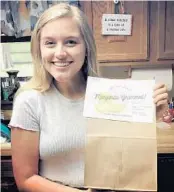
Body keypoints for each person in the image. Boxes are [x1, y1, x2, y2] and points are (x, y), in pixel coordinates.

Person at [9, 3, 169, 192]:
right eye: (50, 43)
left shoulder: (109, 96)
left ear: (86, 48)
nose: (60, 53)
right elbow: (26, 179)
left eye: (71, 42)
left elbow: (125, 156)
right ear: (39, 49)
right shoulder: (29, 102)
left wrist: (150, 118)